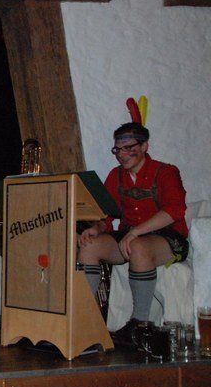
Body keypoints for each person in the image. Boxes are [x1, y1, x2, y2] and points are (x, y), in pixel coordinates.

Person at [78, 101, 188, 346]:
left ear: (144, 146)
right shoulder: (115, 176)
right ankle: (85, 318)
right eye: (117, 150)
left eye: (129, 148)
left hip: (169, 238)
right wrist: (96, 228)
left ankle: (140, 323)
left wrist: (135, 232)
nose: (122, 154)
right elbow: (107, 216)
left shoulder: (166, 172)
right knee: (89, 245)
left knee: (138, 246)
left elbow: (174, 211)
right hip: (130, 236)